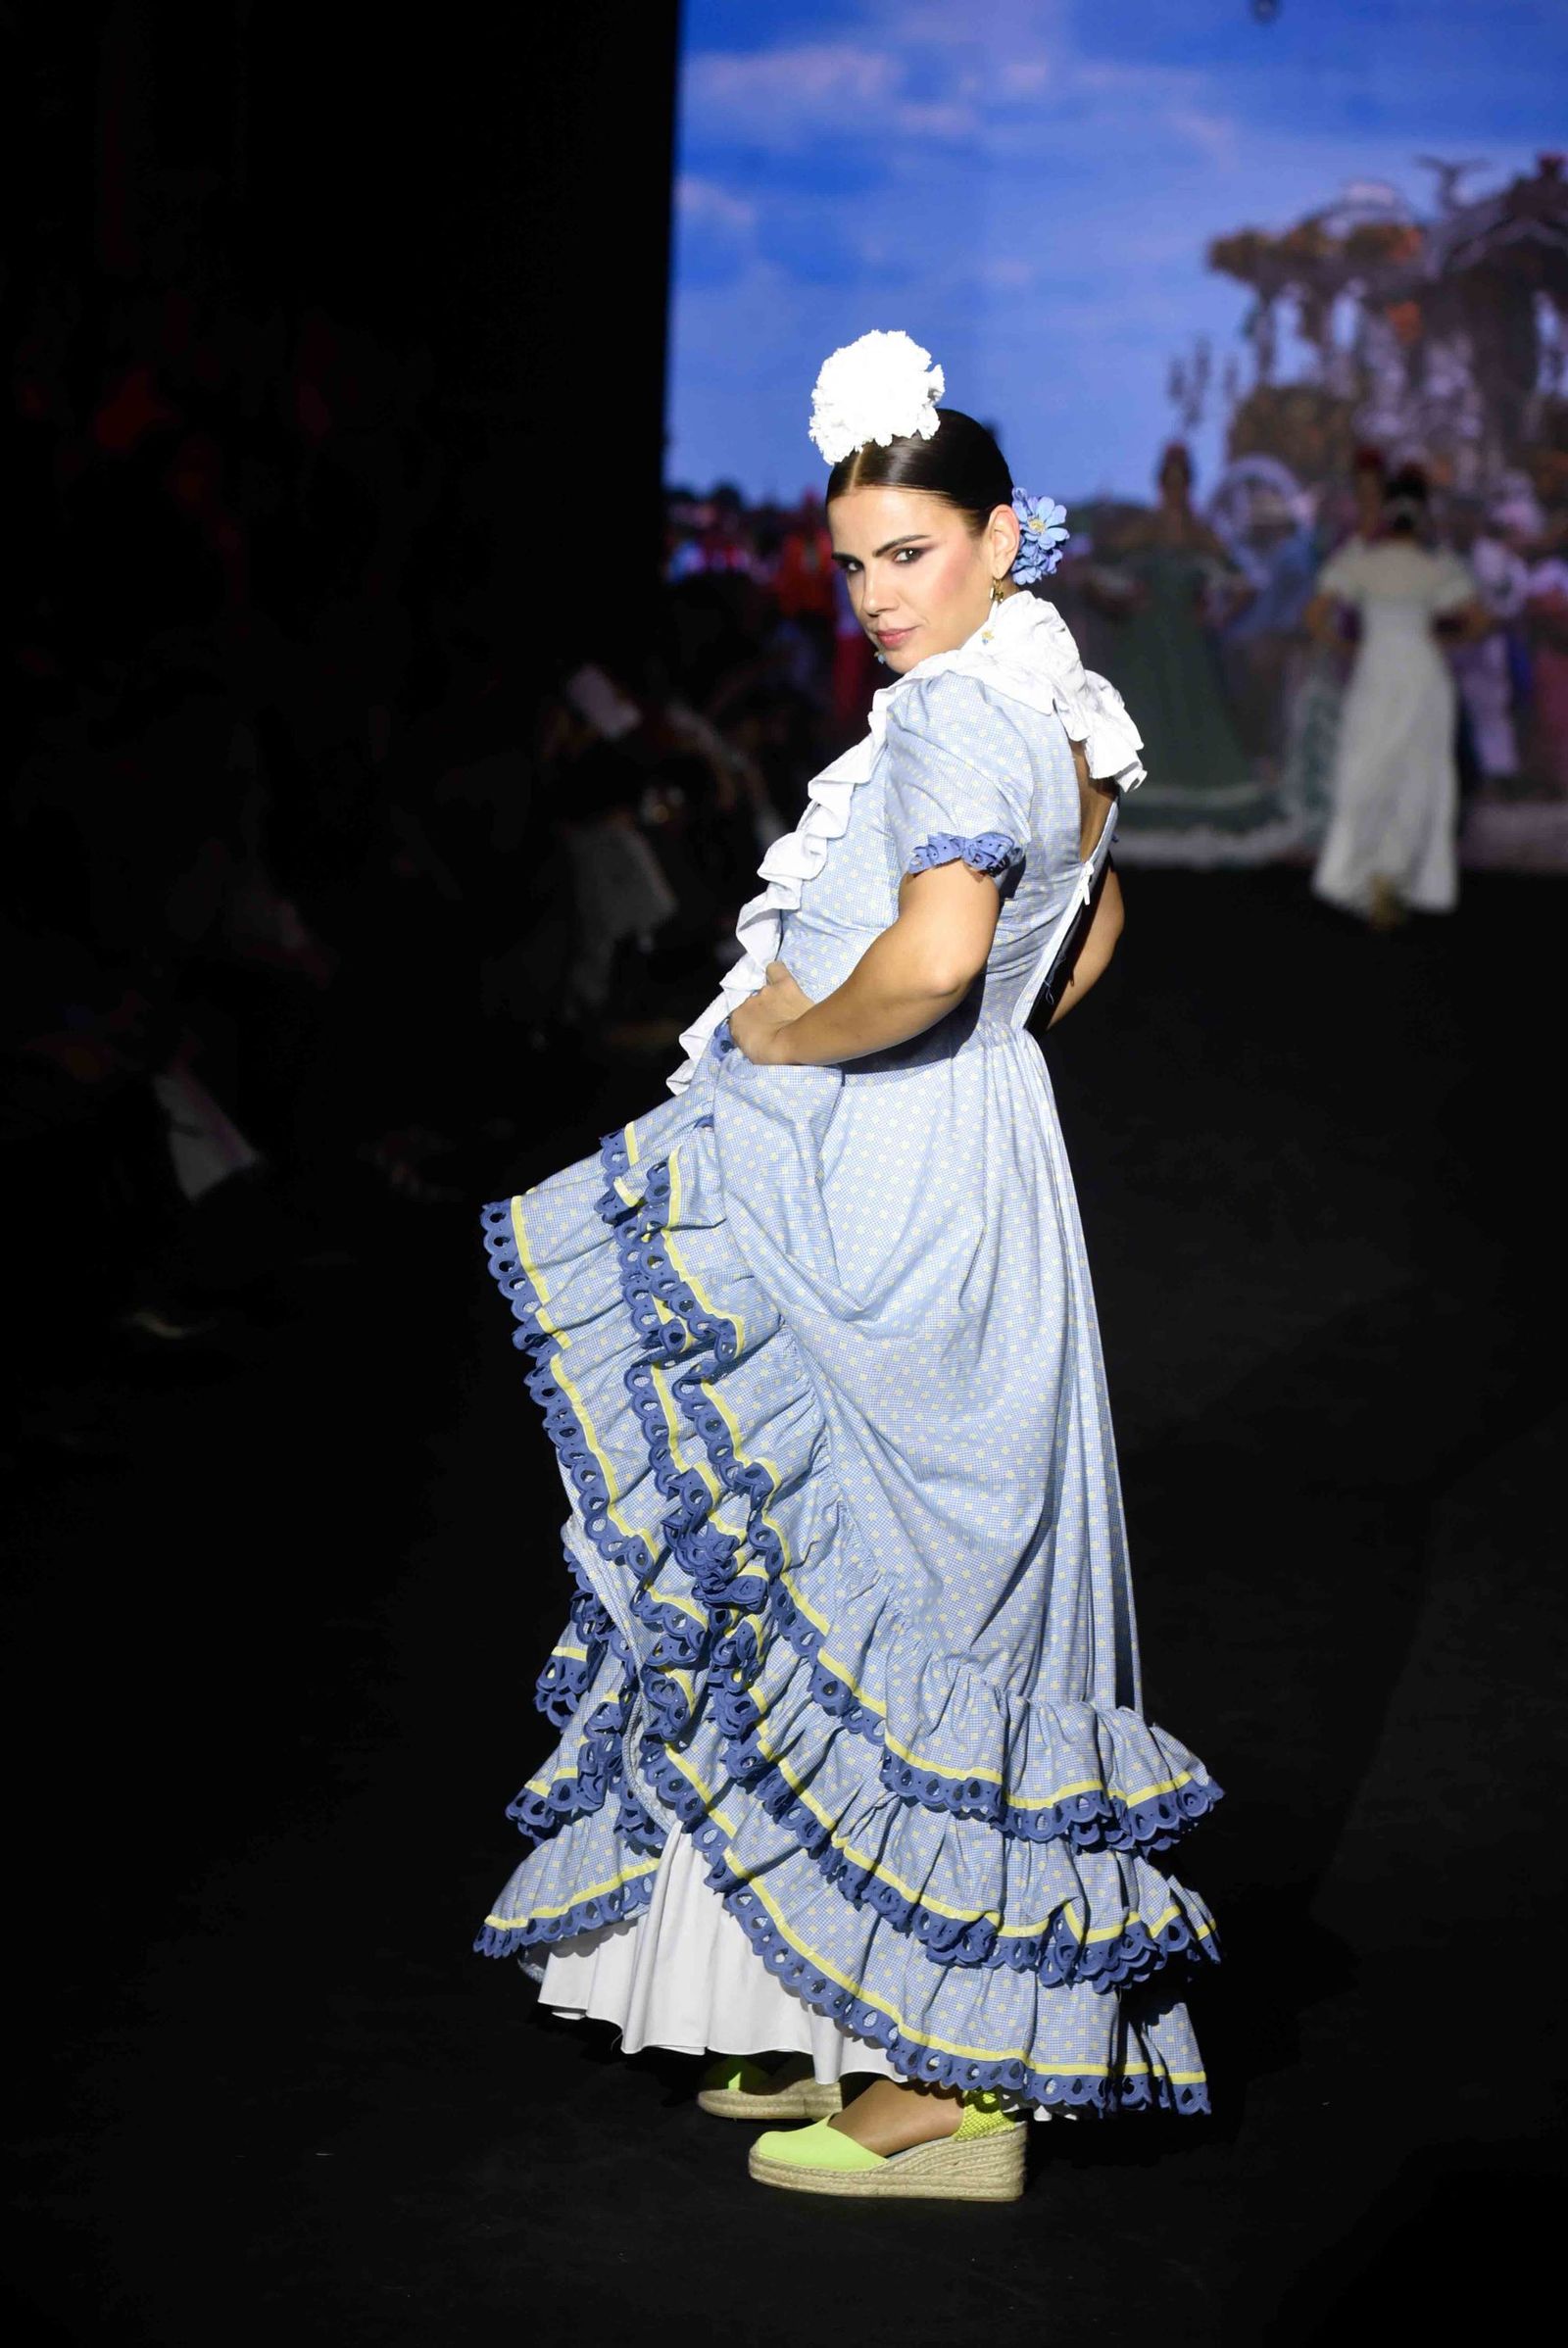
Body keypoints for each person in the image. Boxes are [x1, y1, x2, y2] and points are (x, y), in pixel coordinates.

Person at [474, 331, 1220, 2202]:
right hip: (957, 1168)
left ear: (997, 538)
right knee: (869, 1581)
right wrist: (966, 1064)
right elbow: (1091, 928)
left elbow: (956, 950)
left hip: (887, 1184)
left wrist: (801, 1046)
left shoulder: (970, 709)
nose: (881, 592)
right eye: (857, 560)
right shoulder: (1050, 702)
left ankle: (957, 2085)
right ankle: (868, 2020)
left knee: (909, 1588)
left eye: (913, 551)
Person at [1306, 465, 1492, 928]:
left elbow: (1314, 617)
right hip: (1424, 675)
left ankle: (1364, 877)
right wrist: (1440, 644)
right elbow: (1479, 621)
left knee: (1366, 771)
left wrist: (1348, 647)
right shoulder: (1437, 565)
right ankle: (1398, 878)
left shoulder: (1362, 561)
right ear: (1424, 514)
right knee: (1418, 775)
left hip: (1377, 671)